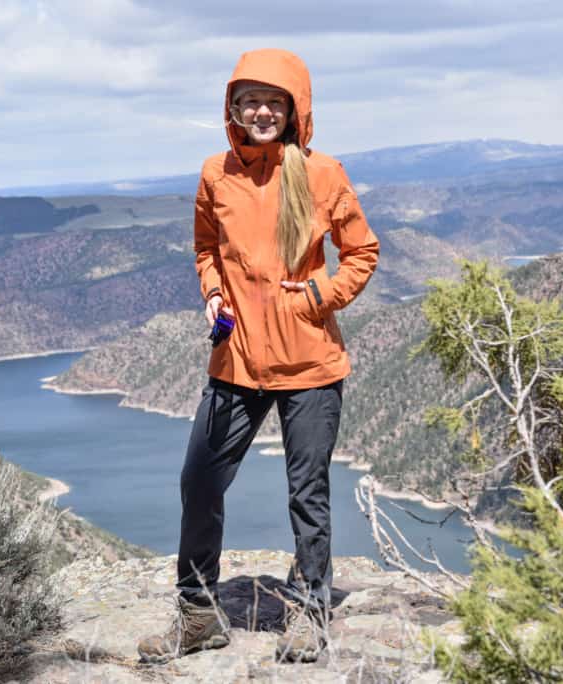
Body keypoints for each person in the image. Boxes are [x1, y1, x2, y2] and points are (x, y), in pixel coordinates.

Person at [137, 48, 380, 664]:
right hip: (237, 360)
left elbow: (362, 253)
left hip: (309, 363)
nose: (262, 111)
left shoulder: (323, 173)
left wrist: (318, 297)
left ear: (295, 109)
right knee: (200, 482)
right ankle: (197, 615)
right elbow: (205, 249)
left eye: (274, 101)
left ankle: (309, 613)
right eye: (249, 100)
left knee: (308, 492)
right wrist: (214, 295)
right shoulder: (216, 173)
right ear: (232, 108)